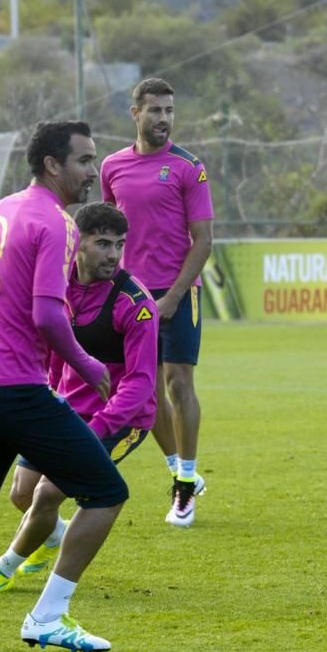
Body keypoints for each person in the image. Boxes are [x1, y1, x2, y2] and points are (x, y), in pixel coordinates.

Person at [0, 121, 130, 652]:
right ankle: (47, 617)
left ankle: (43, 607)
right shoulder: (54, 223)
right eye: (84, 161)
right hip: (13, 390)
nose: (91, 172)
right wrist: (86, 365)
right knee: (106, 493)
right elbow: (47, 316)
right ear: (52, 165)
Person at [0, 201, 158, 592]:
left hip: (121, 420)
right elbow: (48, 347)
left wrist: (99, 428)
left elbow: (141, 382)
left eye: (119, 244)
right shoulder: (57, 284)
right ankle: (51, 538)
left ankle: (3, 569)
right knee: (23, 492)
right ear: (76, 244)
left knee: (49, 492)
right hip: (64, 408)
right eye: (102, 243)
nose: (113, 254)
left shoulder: (135, 304)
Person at [101, 77, 214, 528]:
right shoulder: (112, 166)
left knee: (178, 385)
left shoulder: (189, 167)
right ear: (136, 113)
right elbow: (106, 232)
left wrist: (171, 297)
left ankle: (185, 489)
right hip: (129, 299)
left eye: (169, 110)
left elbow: (203, 241)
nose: (163, 118)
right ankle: (178, 471)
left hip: (178, 294)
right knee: (144, 396)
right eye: (155, 110)